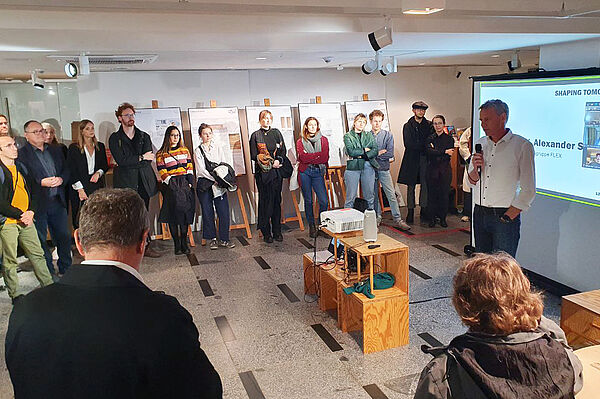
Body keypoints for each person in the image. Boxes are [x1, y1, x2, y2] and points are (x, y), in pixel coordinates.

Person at [5, 188, 223, 398]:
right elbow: (205, 391)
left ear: (79, 242)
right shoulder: (163, 317)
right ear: (143, 242)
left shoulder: (26, 311)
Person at [414, 252, 583, 399]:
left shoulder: (444, 373)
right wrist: (527, 314)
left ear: (462, 303)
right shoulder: (562, 359)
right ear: (526, 297)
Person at [468, 99, 535, 257]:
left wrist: (508, 216)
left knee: (502, 268)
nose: (483, 124)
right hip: (479, 213)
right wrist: (476, 168)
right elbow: (470, 181)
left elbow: (529, 189)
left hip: (504, 216)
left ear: (503, 117)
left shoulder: (522, 146)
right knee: (482, 264)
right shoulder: (480, 143)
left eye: (487, 119)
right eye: (481, 120)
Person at [0, 136, 53, 304]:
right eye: (8, 146)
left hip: (26, 219)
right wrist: (21, 214)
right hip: (9, 222)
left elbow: (36, 190)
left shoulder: (22, 167)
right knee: (10, 261)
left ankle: (49, 286)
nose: (14, 148)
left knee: (38, 254)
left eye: (14, 144)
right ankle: (15, 294)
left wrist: (31, 212)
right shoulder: (1, 171)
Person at [18, 120, 72, 277]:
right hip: (37, 204)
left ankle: (66, 268)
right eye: (36, 132)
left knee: (63, 236)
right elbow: (22, 178)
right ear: (26, 135)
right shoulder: (22, 155)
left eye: (42, 130)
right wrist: (40, 182)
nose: (42, 134)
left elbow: (66, 169)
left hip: (57, 200)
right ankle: (48, 273)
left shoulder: (55, 150)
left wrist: (62, 179)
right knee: (41, 240)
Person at [108, 102, 161, 258]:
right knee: (127, 215)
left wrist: (137, 159)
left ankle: (146, 245)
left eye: (132, 114)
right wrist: (140, 157)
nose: (131, 117)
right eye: (127, 115)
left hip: (143, 181)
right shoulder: (115, 138)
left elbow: (147, 159)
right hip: (125, 182)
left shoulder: (143, 135)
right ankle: (130, 248)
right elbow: (121, 160)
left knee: (143, 213)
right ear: (119, 118)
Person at [195, 123, 236, 250]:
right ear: (200, 135)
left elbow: (223, 163)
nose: (208, 136)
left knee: (223, 211)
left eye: (209, 133)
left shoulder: (217, 147)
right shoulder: (198, 150)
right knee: (208, 212)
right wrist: (214, 179)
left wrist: (220, 178)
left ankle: (224, 238)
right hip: (205, 183)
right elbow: (201, 170)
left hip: (219, 183)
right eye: (205, 133)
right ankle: (211, 238)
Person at [156, 126, 195, 255]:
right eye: (173, 135)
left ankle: (184, 243)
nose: (175, 138)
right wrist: (172, 185)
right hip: (171, 186)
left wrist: (189, 183)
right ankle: (177, 245)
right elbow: (162, 171)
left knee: (185, 215)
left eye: (177, 135)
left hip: (184, 183)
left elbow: (189, 166)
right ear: (168, 136)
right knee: (173, 216)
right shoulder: (161, 153)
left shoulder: (184, 150)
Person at [249, 110, 286, 243]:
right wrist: (269, 162)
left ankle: (277, 231)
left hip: (276, 173)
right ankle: (266, 232)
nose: (267, 120)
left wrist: (278, 161)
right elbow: (254, 155)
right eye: (264, 118)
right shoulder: (255, 135)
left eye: (269, 118)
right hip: (263, 174)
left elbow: (283, 150)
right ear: (260, 120)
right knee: (266, 202)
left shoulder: (276, 133)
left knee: (276, 201)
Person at [369, 110, 410, 231]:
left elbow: (390, 153)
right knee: (373, 194)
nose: (377, 124)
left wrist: (373, 154)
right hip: (370, 170)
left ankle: (397, 219)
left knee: (391, 194)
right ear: (371, 121)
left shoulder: (388, 135)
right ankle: (377, 217)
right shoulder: (366, 136)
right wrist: (378, 152)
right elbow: (365, 154)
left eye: (379, 121)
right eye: (375, 121)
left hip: (383, 169)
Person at [66, 119, 109, 228]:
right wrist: (80, 190)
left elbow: (104, 165)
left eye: (92, 128)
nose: (91, 131)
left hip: (95, 184)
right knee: (81, 217)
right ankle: (80, 241)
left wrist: (98, 173)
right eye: (87, 129)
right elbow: (71, 170)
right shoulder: (74, 148)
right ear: (82, 131)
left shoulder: (100, 146)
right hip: (79, 186)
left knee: (98, 215)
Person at [398, 101, 432, 224]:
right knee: (410, 186)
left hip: (424, 158)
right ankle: (410, 211)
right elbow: (408, 144)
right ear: (413, 110)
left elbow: (430, 140)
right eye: (418, 110)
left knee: (425, 184)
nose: (421, 112)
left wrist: (425, 146)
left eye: (423, 110)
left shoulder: (428, 125)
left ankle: (423, 209)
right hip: (411, 158)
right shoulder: (408, 125)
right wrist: (424, 145)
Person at [296, 117, 329, 238]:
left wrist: (310, 156)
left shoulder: (324, 140)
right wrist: (316, 156)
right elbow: (303, 158)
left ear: (317, 126)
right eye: (310, 125)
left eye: (315, 125)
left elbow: (324, 157)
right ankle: (312, 226)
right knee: (308, 200)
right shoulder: (300, 141)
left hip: (318, 171)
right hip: (305, 171)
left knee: (323, 200)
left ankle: (322, 226)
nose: (312, 127)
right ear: (306, 126)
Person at [343, 113, 378, 210]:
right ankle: (348, 222)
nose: (361, 124)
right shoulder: (348, 136)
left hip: (367, 165)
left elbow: (375, 150)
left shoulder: (368, 135)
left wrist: (362, 154)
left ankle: (370, 221)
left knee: (370, 196)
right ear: (354, 123)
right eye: (359, 121)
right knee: (351, 197)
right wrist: (364, 150)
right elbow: (350, 151)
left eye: (364, 122)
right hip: (353, 166)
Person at [426, 115, 455, 228]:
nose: (437, 125)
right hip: (431, 169)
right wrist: (443, 151)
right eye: (435, 123)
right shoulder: (430, 138)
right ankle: (432, 219)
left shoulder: (449, 139)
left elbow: (450, 153)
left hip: (444, 170)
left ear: (444, 124)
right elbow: (429, 152)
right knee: (431, 195)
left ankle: (443, 218)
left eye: (439, 123)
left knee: (444, 195)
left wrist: (436, 151)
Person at [458, 127, 472, 222]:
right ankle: (467, 213)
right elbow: (462, 144)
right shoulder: (470, 130)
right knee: (468, 187)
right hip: (471, 161)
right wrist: (468, 157)